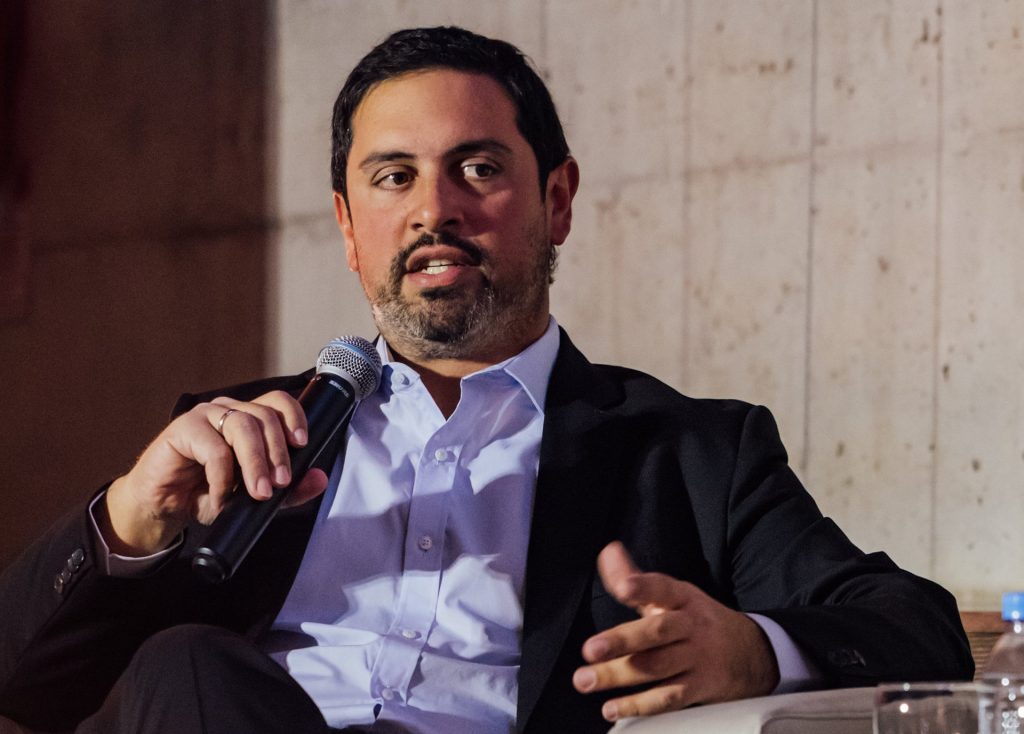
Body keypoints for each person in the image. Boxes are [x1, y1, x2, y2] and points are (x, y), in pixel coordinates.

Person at [0, 26, 972, 734]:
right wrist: (127, 519)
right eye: (393, 177)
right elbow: (24, 684)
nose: (435, 209)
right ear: (348, 227)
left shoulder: (691, 453)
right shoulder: (240, 437)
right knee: (187, 666)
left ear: (557, 201)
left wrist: (754, 650)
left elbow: (918, 629)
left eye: (475, 168)